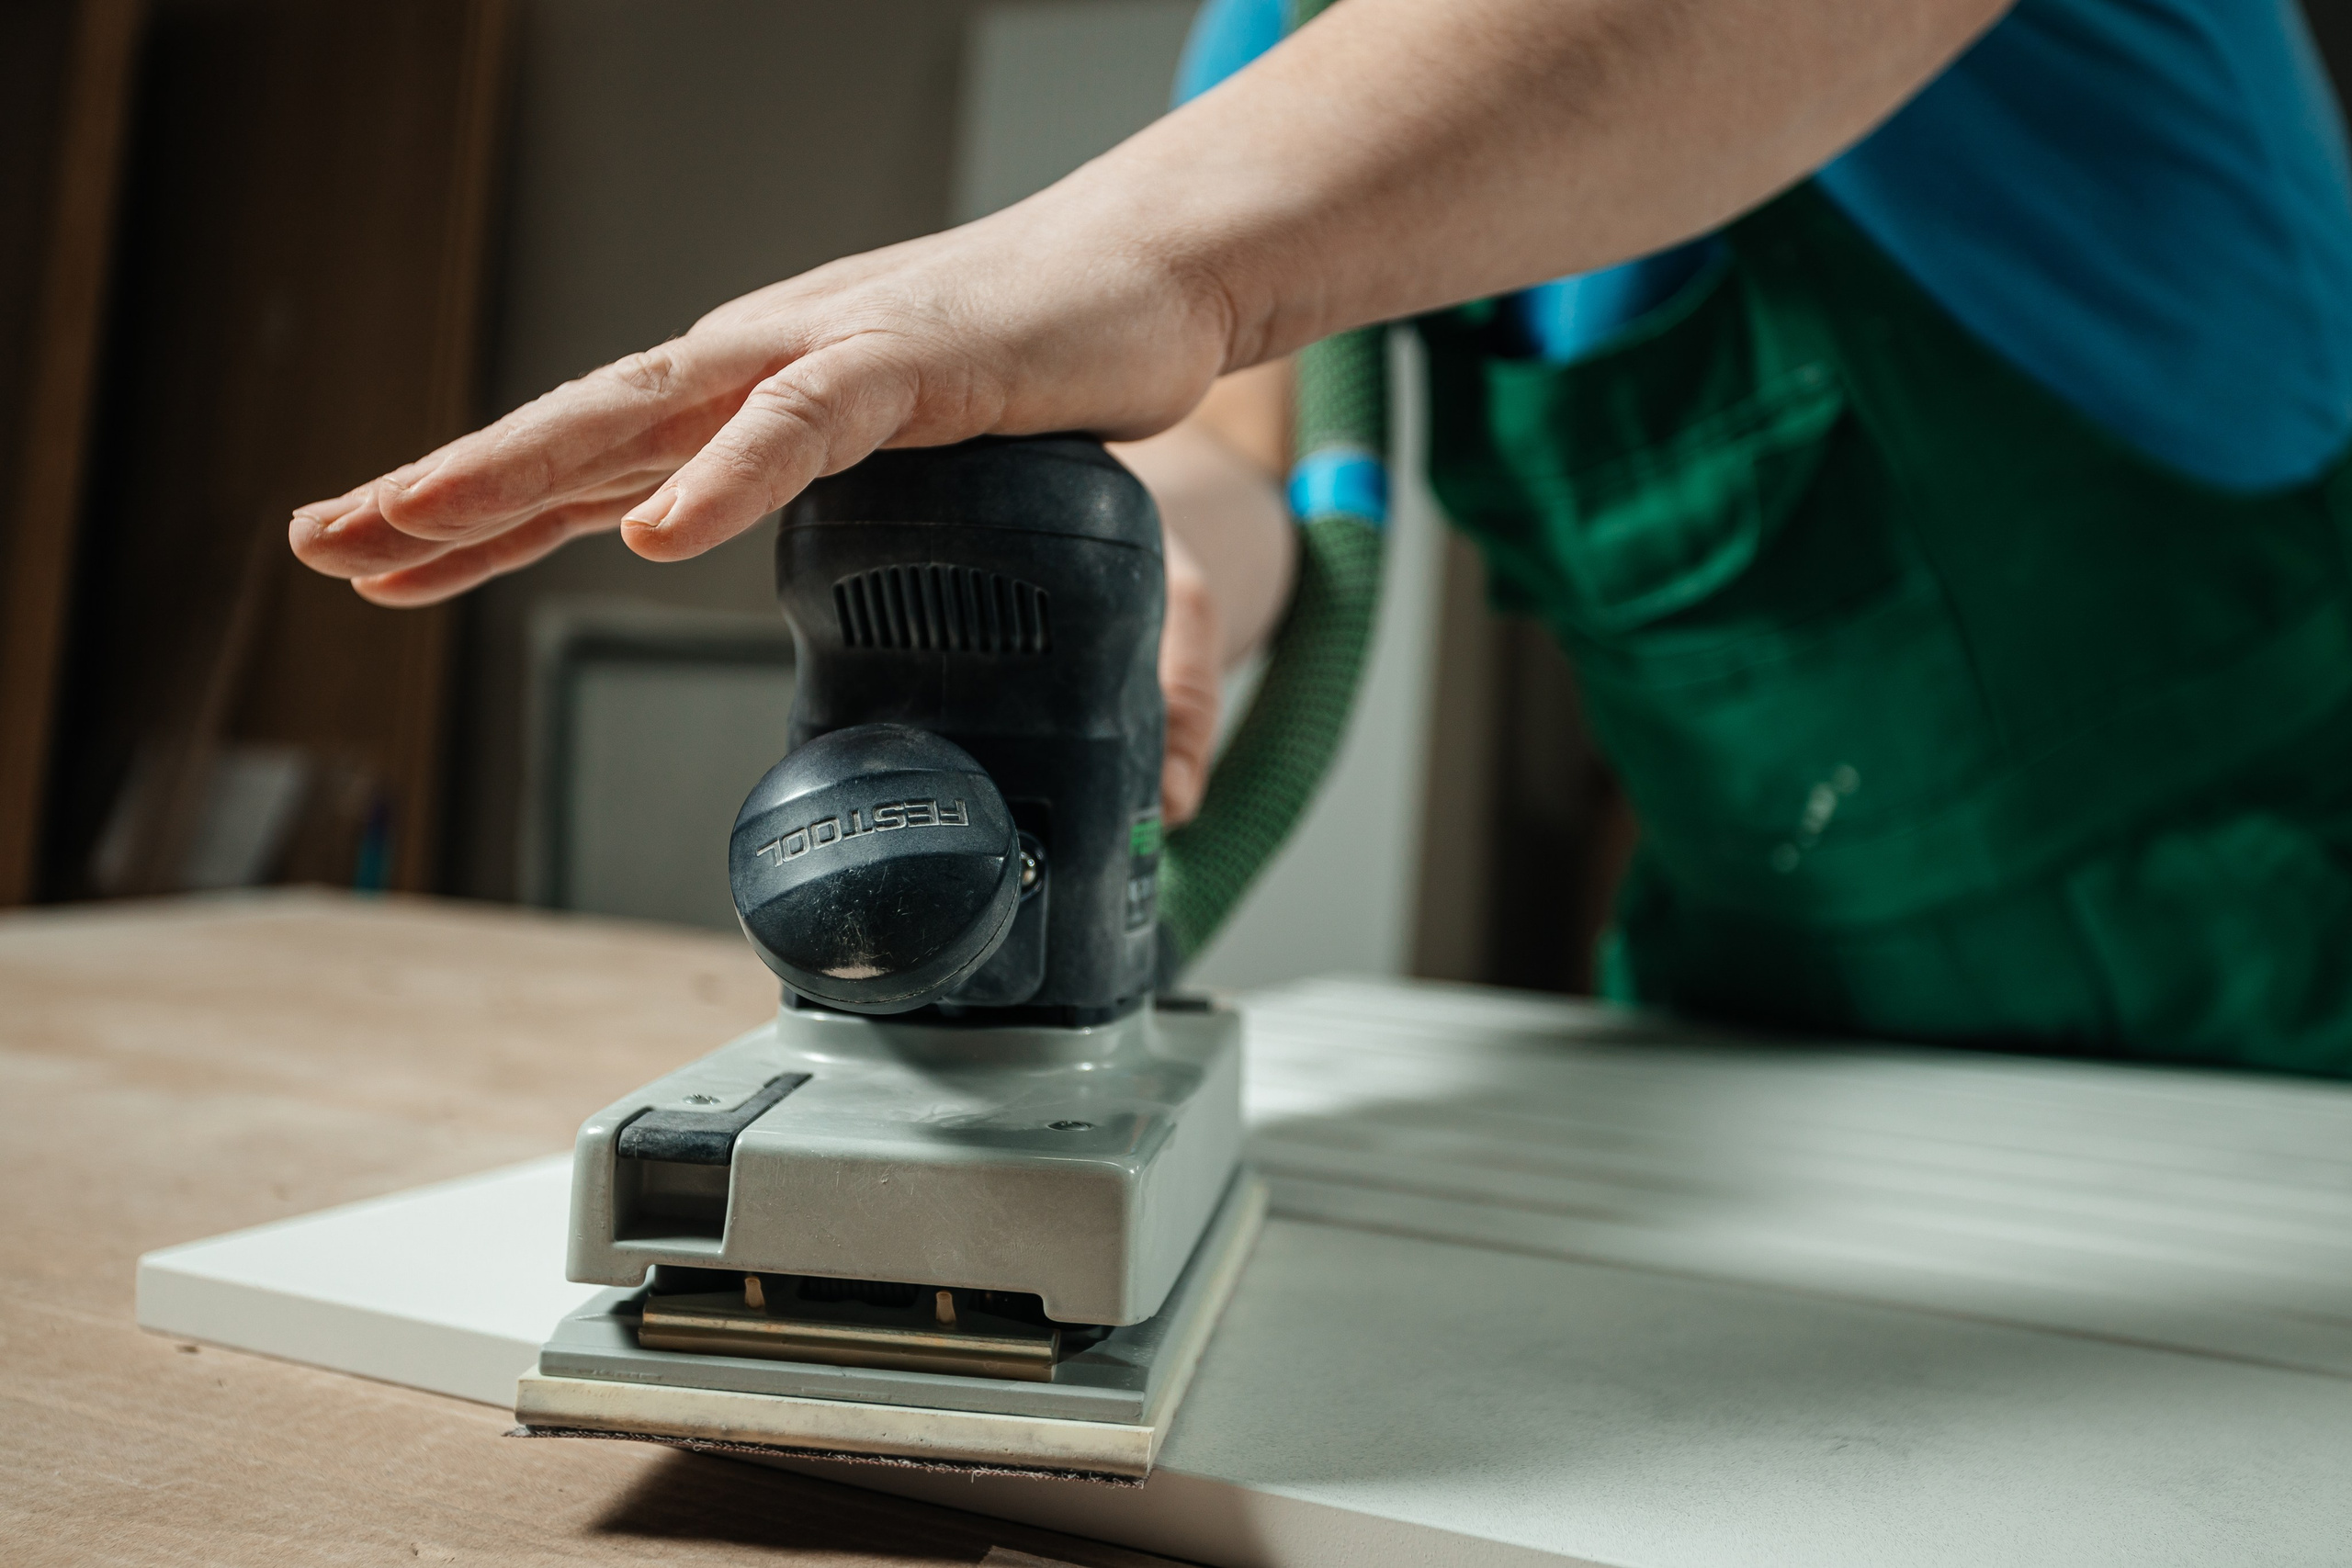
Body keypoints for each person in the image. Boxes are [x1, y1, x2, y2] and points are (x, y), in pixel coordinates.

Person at [291, 0, 2352, 1074]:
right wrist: (1118, 563)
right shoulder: (1296, 41)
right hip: (1755, 1011)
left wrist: (1137, 255)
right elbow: (1260, 469)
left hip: (2267, 995)